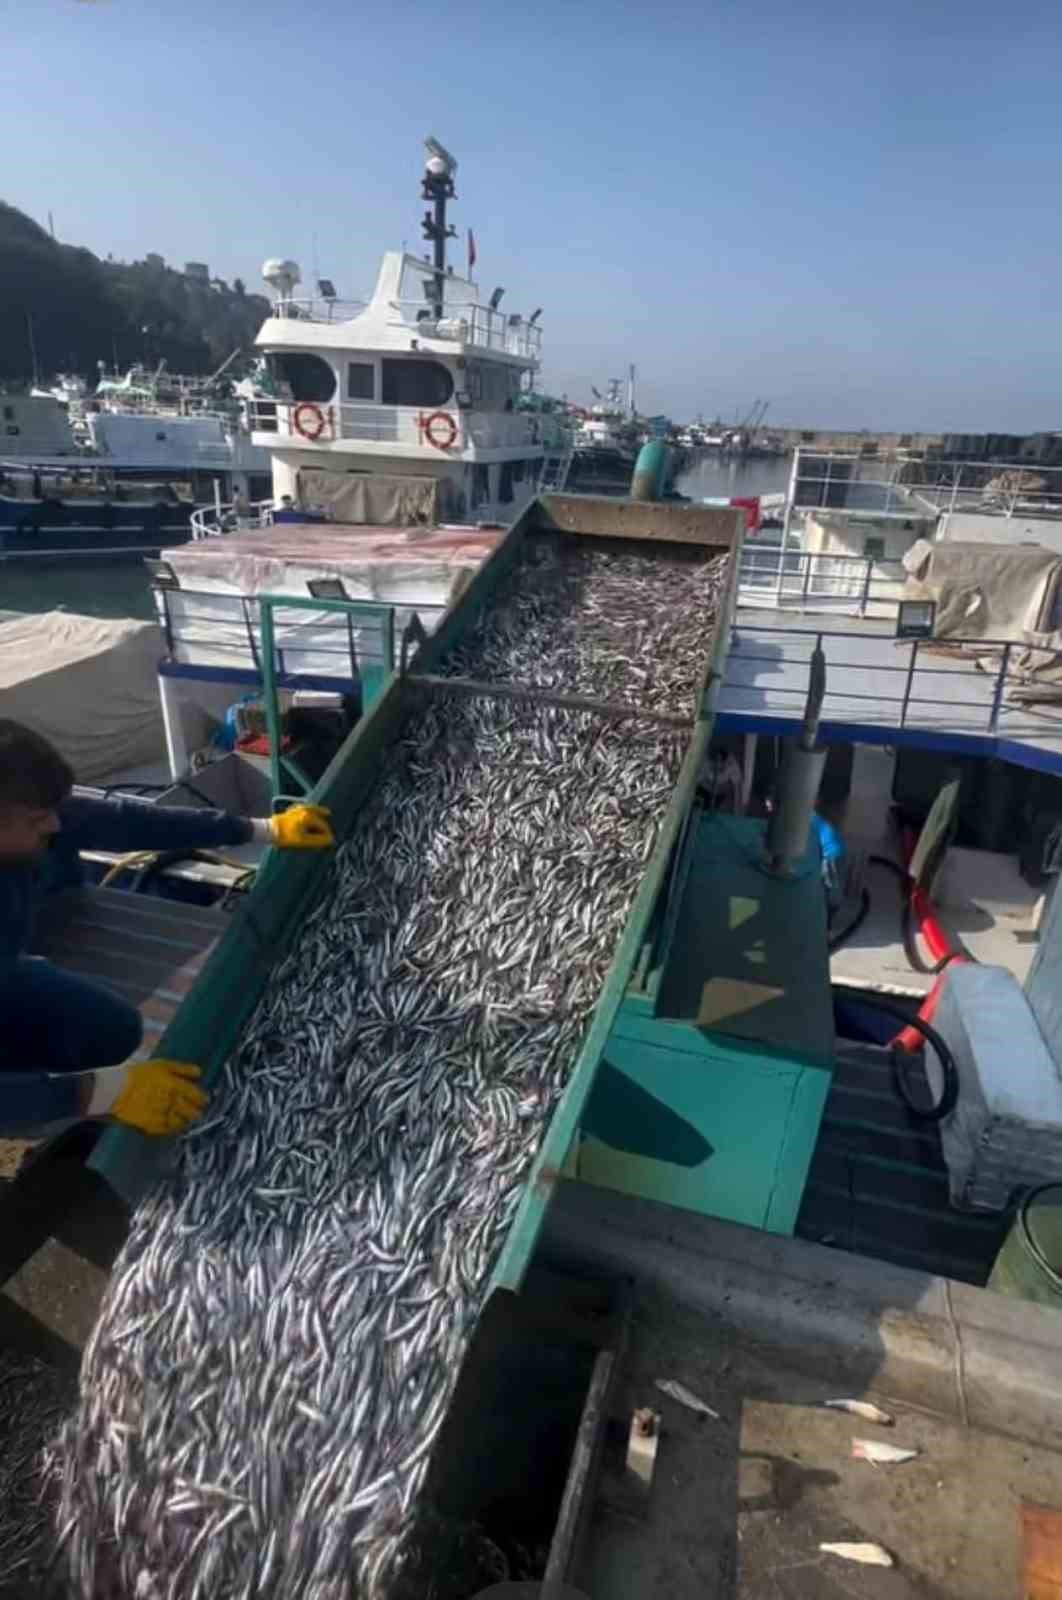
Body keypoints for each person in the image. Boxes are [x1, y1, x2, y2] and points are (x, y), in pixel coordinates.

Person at [0, 720, 335, 1139]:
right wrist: (93, 1093)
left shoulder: (26, 818)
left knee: (113, 1030)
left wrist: (260, 829)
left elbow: (123, 821)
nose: (52, 825)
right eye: (36, 819)